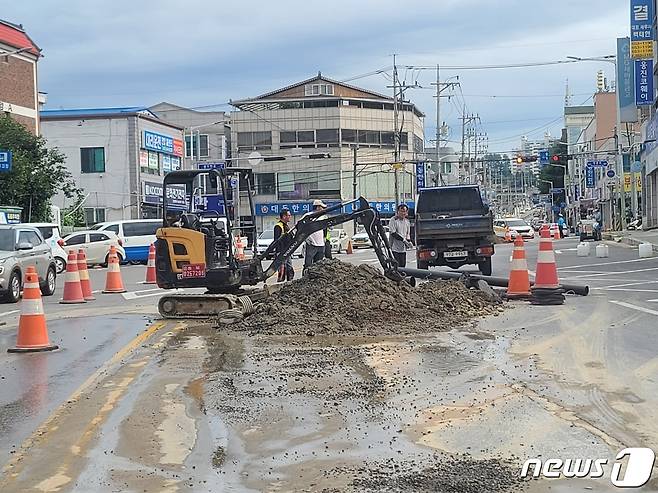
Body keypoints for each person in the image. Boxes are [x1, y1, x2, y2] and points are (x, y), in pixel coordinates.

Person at [303, 199, 327, 275]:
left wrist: (325, 238)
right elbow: (300, 227)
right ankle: (306, 277)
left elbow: (325, 229)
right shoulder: (308, 216)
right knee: (308, 263)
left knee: (319, 264)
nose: (323, 209)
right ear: (318, 207)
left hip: (321, 244)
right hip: (312, 244)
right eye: (322, 207)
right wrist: (307, 239)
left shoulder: (323, 217)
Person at [273, 209, 294, 282]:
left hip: (287, 251)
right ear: (284, 216)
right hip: (281, 252)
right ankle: (280, 285)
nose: (290, 216)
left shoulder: (286, 226)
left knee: (289, 268)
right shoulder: (278, 226)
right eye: (288, 215)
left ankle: (290, 283)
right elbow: (276, 241)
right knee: (282, 270)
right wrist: (279, 252)